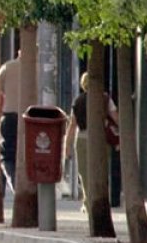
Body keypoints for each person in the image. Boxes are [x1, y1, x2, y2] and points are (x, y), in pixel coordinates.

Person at [65, 72, 118, 205]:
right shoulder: (105, 99)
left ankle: (89, 202)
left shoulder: (78, 101)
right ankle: (100, 200)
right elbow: (116, 118)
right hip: (101, 139)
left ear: (83, 85)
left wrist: (67, 146)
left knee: (84, 173)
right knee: (101, 172)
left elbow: (72, 125)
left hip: (82, 139)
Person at [0, 50, 23, 193]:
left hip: (9, 115)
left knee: (7, 153)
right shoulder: (40, 70)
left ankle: (9, 182)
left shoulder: (7, 67)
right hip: (30, 118)